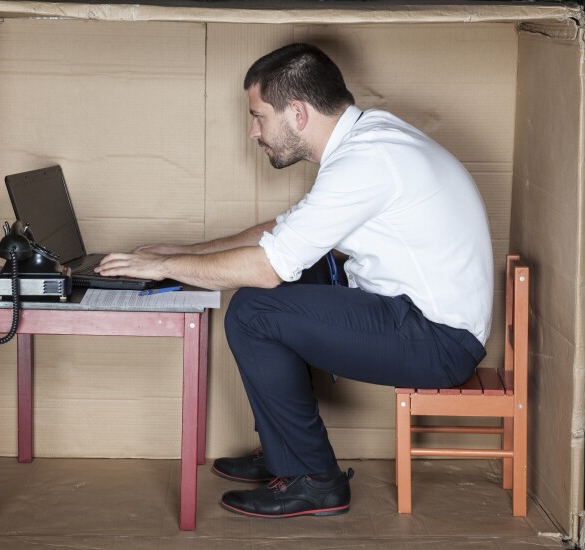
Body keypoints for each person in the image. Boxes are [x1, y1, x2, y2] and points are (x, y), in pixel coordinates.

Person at [95, 43, 494, 519]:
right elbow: (280, 234)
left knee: (252, 310)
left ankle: (314, 480)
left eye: (259, 116)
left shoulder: (364, 162)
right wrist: (181, 252)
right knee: (293, 272)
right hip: (413, 318)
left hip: (438, 342)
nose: (252, 132)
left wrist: (163, 270)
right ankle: (287, 452)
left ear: (298, 113)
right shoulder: (369, 141)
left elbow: (266, 266)